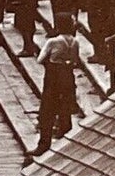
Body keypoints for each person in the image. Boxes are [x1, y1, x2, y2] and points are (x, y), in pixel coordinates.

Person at [34, 14, 82, 157]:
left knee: (47, 112)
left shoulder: (53, 41)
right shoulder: (75, 42)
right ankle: (66, 145)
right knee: (65, 110)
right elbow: (75, 61)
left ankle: (44, 144)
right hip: (67, 77)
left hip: (53, 77)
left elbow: (40, 59)